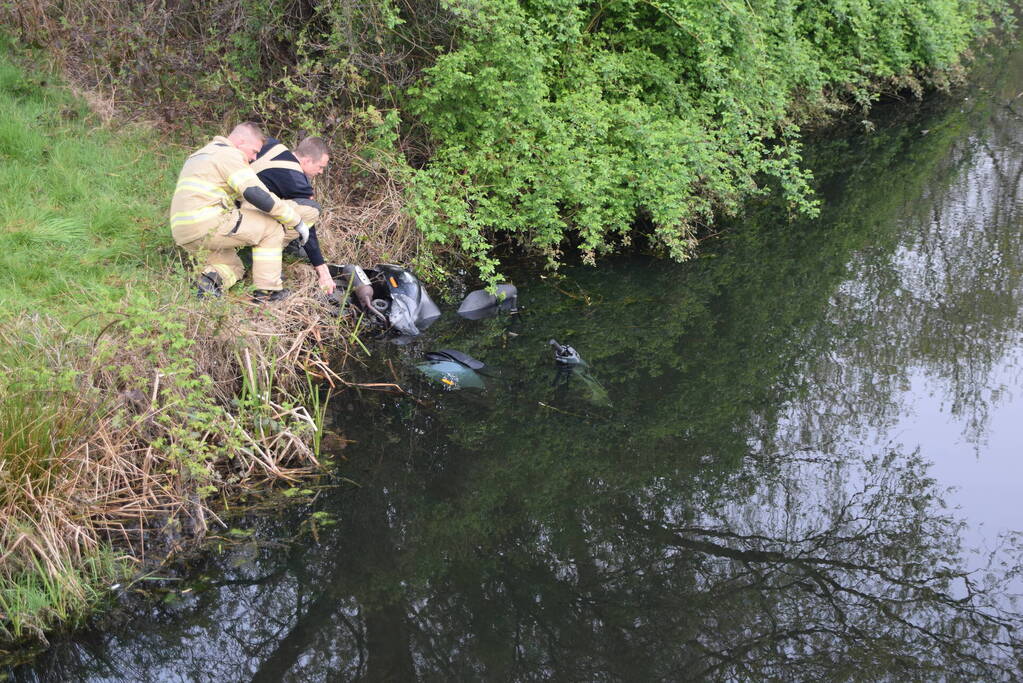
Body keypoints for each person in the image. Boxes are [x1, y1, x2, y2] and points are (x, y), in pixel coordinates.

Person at [169, 122, 310, 301]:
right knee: (272, 227)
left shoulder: (201, 154)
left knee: (232, 266)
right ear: (241, 141)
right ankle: (268, 292)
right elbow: (256, 193)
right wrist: (296, 221)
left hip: (184, 232)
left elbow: (244, 197)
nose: (253, 158)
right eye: (254, 151)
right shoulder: (229, 155)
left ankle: (207, 285)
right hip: (208, 223)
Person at [249, 136, 335, 294]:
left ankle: (290, 246)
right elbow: (307, 223)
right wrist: (322, 269)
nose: (321, 172)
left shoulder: (272, 145)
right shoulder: (296, 180)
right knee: (311, 209)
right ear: (307, 161)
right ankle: (260, 258)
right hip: (248, 216)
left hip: (228, 204)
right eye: (320, 166)